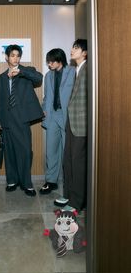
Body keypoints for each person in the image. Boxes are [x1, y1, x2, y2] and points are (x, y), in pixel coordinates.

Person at [0, 44, 44, 197]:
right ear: (6, 57)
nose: (15, 58)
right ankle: (12, 181)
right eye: (12, 55)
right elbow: (0, 102)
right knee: (9, 152)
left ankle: (27, 183)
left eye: (18, 55)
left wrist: (21, 71)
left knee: (24, 152)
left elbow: (39, 78)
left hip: (22, 119)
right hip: (7, 120)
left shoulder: (27, 71)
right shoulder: (0, 78)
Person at [54, 39, 87, 211]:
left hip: (81, 124)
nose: (72, 50)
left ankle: (77, 202)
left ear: (85, 52)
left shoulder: (88, 69)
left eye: (76, 48)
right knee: (68, 161)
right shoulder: (75, 70)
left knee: (78, 163)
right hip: (71, 122)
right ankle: (68, 194)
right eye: (72, 46)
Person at [39, 48, 75, 194]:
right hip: (52, 115)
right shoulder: (48, 75)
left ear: (59, 60)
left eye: (51, 61)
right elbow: (47, 96)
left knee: (68, 151)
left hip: (67, 115)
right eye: (48, 61)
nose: (49, 64)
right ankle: (51, 181)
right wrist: (44, 108)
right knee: (51, 150)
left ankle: (70, 183)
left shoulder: (73, 71)